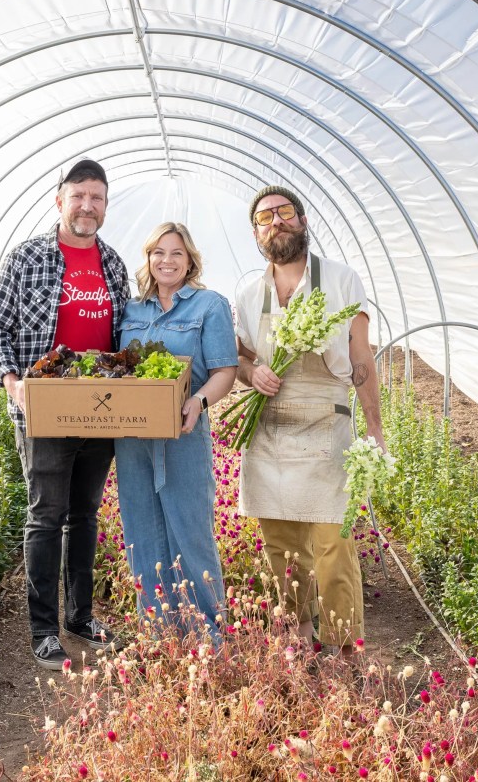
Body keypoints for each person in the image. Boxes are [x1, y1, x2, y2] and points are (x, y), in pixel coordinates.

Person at [0, 158, 130, 670]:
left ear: (106, 206)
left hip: (102, 411)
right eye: (79, 196)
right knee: (46, 516)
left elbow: (122, 340)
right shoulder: (27, 257)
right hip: (45, 409)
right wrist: (12, 381)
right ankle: (44, 628)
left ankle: (80, 616)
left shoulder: (113, 263)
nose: (88, 206)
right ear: (60, 199)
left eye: (98, 198)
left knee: (85, 515)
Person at [233, 185, 387, 655]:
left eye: (284, 212)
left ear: (302, 219)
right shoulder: (248, 291)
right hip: (269, 428)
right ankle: (300, 642)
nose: (275, 222)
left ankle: (344, 653)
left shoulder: (341, 280)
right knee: (283, 552)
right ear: (257, 234)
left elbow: (361, 357)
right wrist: (251, 372)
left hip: (326, 422)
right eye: (264, 218)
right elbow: (237, 359)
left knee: (333, 548)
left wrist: (376, 430)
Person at [114, 222, 238, 638]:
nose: (167, 261)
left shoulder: (209, 305)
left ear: (190, 262)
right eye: (158, 253)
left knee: (191, 532)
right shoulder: (131, 310)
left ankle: (210, 634)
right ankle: (159, 633)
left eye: (176, 254)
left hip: (184, 435)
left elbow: (225, 370)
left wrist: (197, 402)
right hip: (132, 440)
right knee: (142, 533)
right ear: (148, 259)